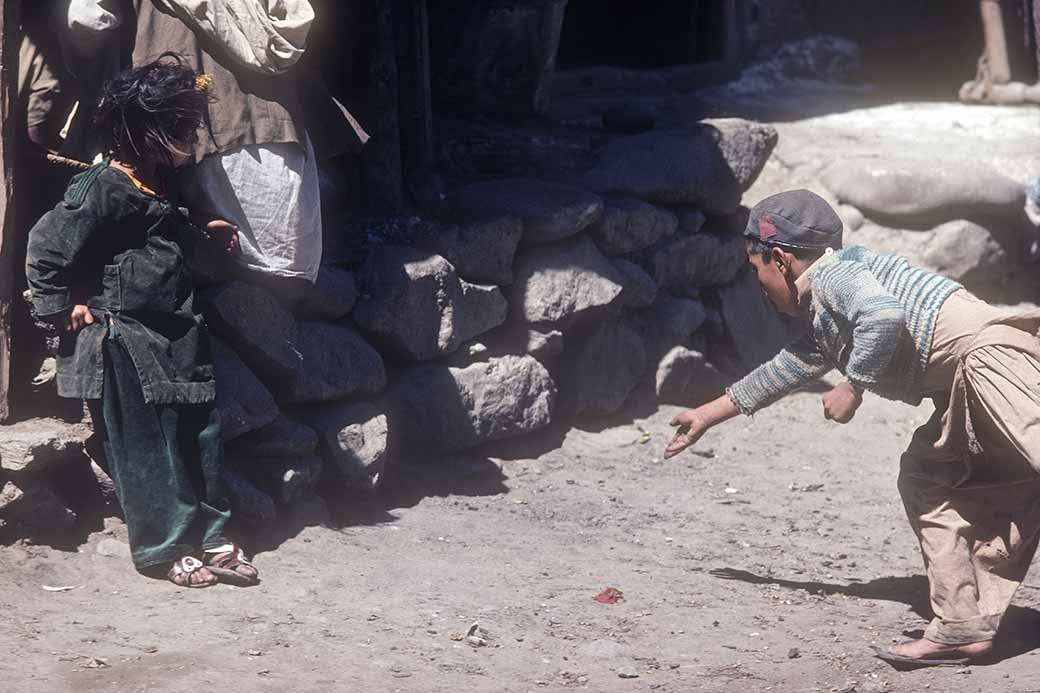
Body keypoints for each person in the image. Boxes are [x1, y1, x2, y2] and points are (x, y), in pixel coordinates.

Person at [664, 190, 1040, 666]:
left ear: (780, 259)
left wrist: (853, 385)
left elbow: (884, 315)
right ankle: (961, 625)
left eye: (756, 272)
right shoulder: (826, 315)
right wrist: (706, 414)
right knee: (928, 480)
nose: (758, 288)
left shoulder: (836, 276)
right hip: (965, 383)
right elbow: (788, 367)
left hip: (994, 360)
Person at [25, 57, 259, 588]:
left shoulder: (161, 182)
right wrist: (63, 307)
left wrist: (207, 227)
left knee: (202, 435)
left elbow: (161, 234)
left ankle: (215, 537)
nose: (185, 138)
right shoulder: (102, 186)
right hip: (124, 336)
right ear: (137, 131)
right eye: (176, 129)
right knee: (147, 445)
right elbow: (44, 250)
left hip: (179, 330)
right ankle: (164, 547)